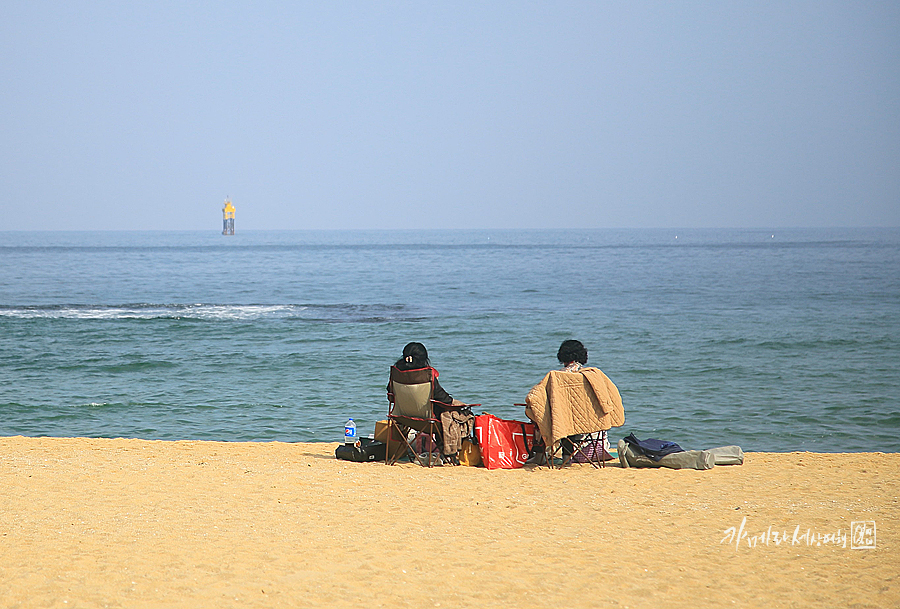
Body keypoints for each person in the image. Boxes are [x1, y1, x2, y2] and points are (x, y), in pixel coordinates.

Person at [525, 339, 623, 459]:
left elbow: (535, 396)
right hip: (590, 422)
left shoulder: (556, 376)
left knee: (541, 415)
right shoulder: (593, 375)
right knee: (570, 418)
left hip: (563, 424)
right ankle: (567, 455)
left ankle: (540, 455)